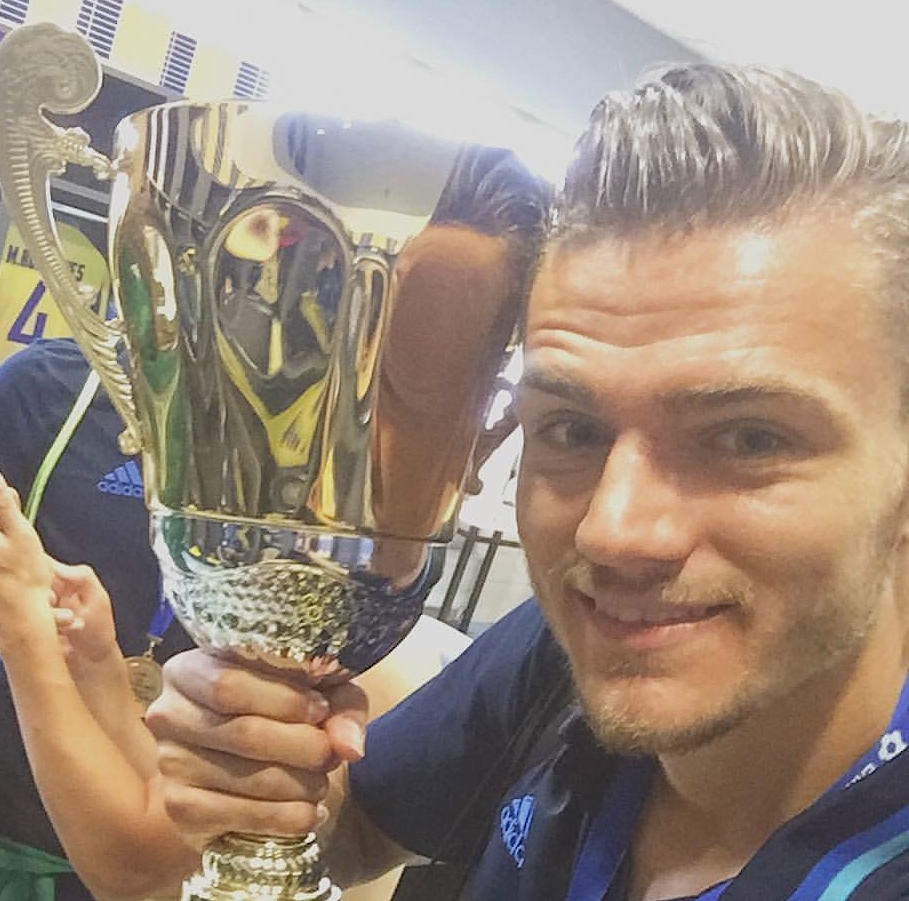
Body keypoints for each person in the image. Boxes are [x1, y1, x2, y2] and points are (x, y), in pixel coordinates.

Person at [144, 62, 909, 900]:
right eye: (572, 429)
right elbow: (355, 825)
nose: (612, 531)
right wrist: (259, 777)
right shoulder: (575, 645)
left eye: (749, 438)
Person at [0, 335, 460, 901]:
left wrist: (24, 624)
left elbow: (140, 871)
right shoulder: (46, 386)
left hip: (190, 858)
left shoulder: (350, 455)